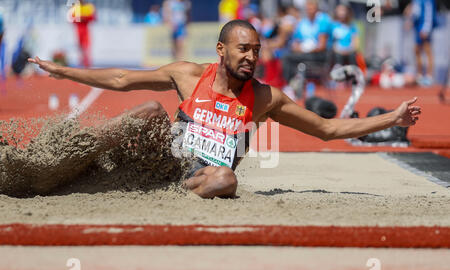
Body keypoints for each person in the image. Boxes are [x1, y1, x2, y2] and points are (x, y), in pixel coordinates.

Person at [28, 20, 422, 199]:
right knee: (148, 107)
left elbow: (328, 129)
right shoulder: (188, 75)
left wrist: (395, 117)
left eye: (256, 50)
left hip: (200, 176)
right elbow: (120, 80)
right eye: (243, 49)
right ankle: (63, 157)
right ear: (222, 51)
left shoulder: (265, 98)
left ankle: (174, 192)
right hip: (161, 160)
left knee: (226, 181)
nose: (251, 57)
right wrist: (64, 71)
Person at [281, 0, 332, 85]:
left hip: (319, 54)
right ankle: (293, 83)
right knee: (287, 55)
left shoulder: (323, 20)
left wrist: (306, 49)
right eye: (308, 7)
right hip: (305, 53)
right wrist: (298, 47)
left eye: (312, 7)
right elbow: (296, 42)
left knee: (287, 58)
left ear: (317, 8)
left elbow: (322, 46)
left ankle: (289, 84)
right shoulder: (303, 22)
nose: (310, 10)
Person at [404, 0, 438, 87]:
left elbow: (429, 13)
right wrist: (410, 21)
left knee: (427, 51)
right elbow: (415, 12)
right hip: (417, 27)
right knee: (417, 50)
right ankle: (419, 76)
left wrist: (426, 28)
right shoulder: (416, 1)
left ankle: (429, 77)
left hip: (424, 27)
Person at [70, 0, 96, 68]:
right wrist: (79, 19)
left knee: (86, 46)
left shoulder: (89, 7)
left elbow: (93, 17)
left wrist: (84, 18)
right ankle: (81, 62)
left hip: (85, 29)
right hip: (78, 29)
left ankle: (87, 63)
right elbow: (72, 19)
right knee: (79, 46)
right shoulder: (75, 8)